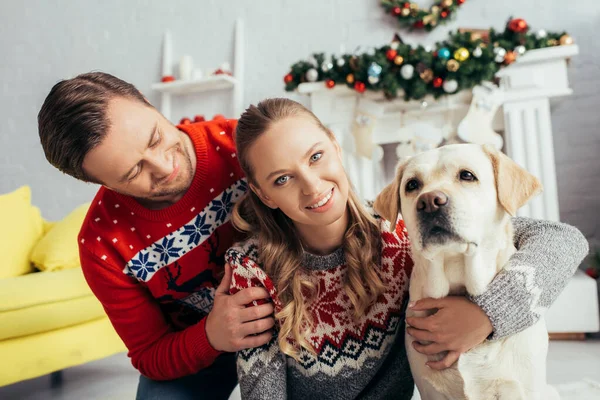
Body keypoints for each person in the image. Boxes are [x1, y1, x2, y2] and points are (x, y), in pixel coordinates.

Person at [225, 98, 589, 400]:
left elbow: (562, 239)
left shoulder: (396, 232)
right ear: (263, 193)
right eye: (282, 178)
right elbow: (262, 390)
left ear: (336, 147)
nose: (311, 184)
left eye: (316, 156)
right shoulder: (253, 271)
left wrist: (487, 315)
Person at [37, 72, 274, 399]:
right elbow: (150, 354)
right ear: (103, 185)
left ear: (147, 102)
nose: (163, 167)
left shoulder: (245, 142)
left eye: (155, 138)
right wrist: (212, 335)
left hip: (292, 314)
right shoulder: (101, 245)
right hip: (197, 345)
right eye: (133, 172)